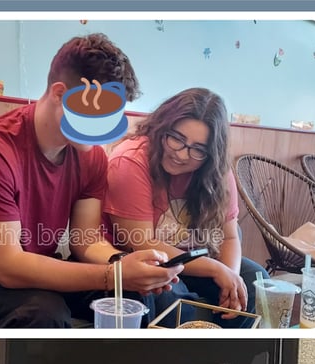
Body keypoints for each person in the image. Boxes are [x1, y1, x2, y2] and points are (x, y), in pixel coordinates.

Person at [0, 33, 180, 328]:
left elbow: (86, 241)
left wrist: (128, 267)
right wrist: (114, 274)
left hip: (39, 265)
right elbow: (8, 266)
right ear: (61, 94)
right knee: (44, 314)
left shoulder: (91, 157)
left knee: (135, 298)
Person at [104, 88, 270, 327]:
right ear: (161, 127)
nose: (182, 155)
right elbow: (141, 242)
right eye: (177, 139)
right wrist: (215, 270)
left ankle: (228, 358)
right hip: (146, 258)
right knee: (170, 298)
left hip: (198, 255)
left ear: (211, 153)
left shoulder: (217, 170)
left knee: (254, 282)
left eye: (198, 149)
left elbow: (230, 236)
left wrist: (230, 278)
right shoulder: (131, 160)